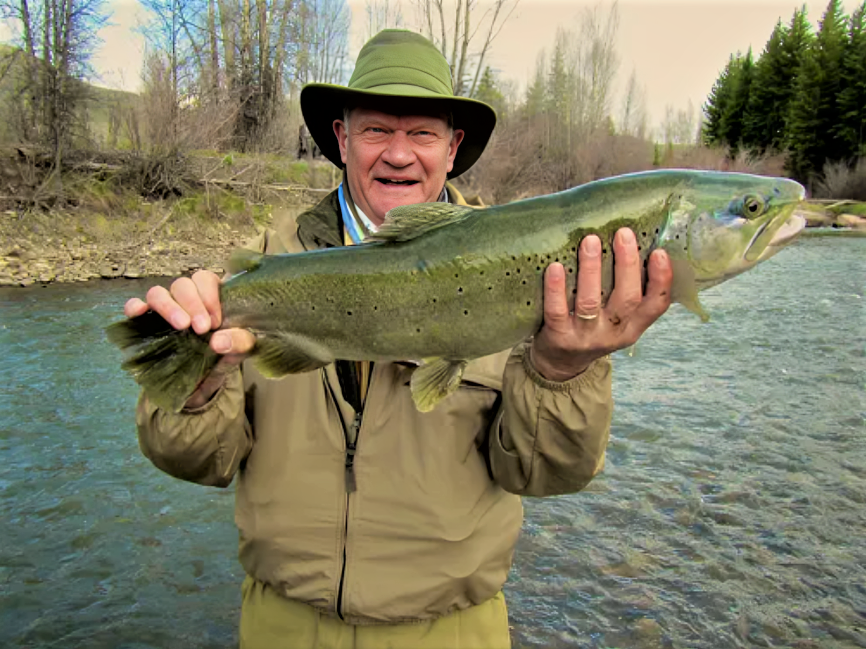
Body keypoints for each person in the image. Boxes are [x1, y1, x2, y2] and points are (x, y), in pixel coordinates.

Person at [123, 30, 672, 648]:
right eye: (378, 130)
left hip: (452, 631)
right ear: (342, 138)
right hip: (281, 624)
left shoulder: (541, 277)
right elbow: (198, 460)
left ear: (453, 146)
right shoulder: (265, 272)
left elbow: (548, 475)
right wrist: (195, 388)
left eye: (422, 133)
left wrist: (564, 369)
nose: (399, 154)